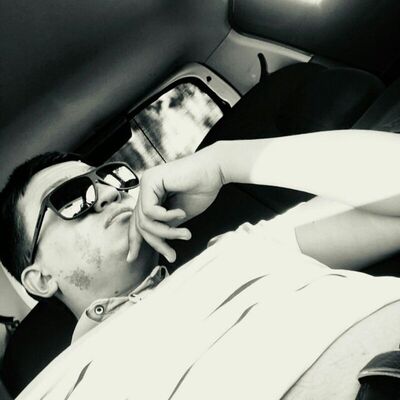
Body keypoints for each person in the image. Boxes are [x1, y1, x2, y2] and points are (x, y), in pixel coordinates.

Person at [2, 130, 400, 399]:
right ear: (40, 279)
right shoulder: (51, 390)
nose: (108, 193)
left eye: (112, 177)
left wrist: (223, 161)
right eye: (71, 199)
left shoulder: (244, 248)